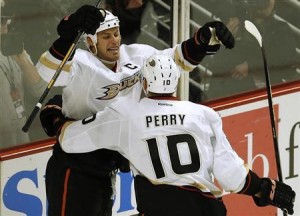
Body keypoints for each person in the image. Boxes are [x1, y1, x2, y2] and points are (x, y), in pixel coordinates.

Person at [37, 4, 234, 216]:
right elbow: (46, 72)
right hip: (76, 165)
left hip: (107, 165)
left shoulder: (137, 55)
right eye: (106, 37)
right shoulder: (80, 62)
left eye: (116, 33)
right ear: (91, 42)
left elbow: (176, 60)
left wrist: (203, 40)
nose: (114, 41)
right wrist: (68, 35)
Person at [57, 54, 295, 216]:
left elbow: (69, 141)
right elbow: (232, 177)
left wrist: (57, 117)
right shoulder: (204, 115)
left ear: (145, 83)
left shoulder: (125, 113)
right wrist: (265, 188)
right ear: (176, 82)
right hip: (206, 210)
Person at [205, 0, 300, 99]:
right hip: (233, 96)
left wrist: (250, 66)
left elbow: (288, 65)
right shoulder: (237, 26)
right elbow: (219, 66)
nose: (267, 3)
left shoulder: (280, 29)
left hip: (266, 97)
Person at [0, 3, 46, 148]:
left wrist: (21, 58)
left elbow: (39, 90)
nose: (4, 26)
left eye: (4, 20)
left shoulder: (12, 49)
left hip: (20, 140)